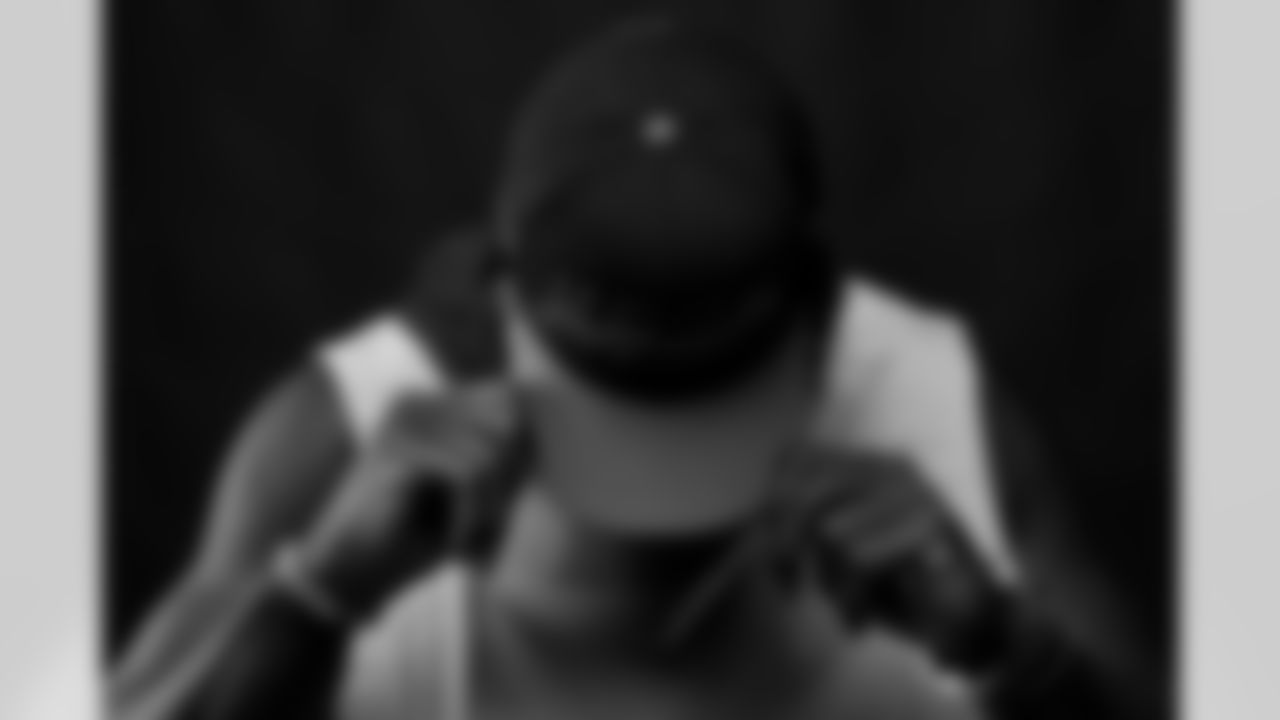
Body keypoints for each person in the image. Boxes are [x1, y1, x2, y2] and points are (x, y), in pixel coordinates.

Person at [111, 16, 1158, 720]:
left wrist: (1003, 648)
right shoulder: (337, 436)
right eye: (616, 401)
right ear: (499, 298)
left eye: (706, 401)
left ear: (818, 312)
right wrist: (316, 595)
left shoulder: (942, 411)